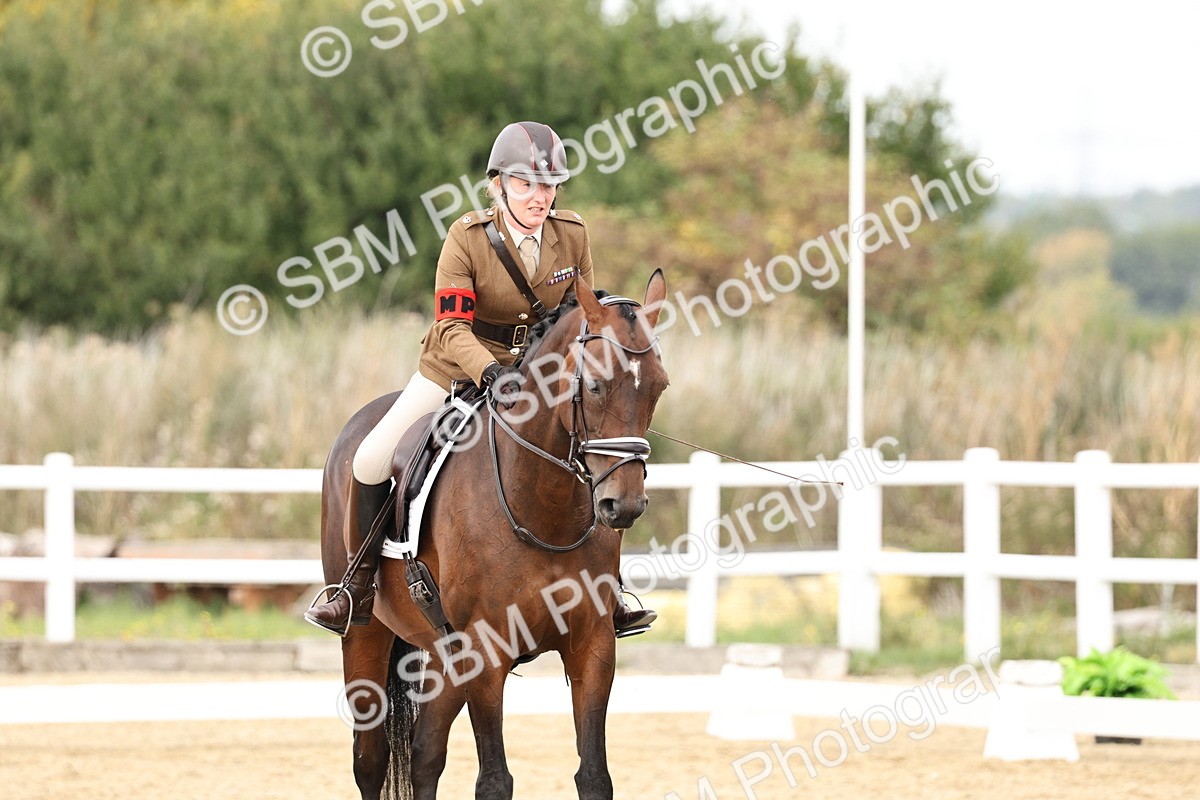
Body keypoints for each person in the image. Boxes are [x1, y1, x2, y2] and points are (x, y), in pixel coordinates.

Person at [305, 120, 657, 637]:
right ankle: (354, 588)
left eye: (548, 185)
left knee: (596, 449)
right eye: (526, 185)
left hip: (539, 378)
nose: (540, 197)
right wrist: (491, 371)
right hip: (457, 368)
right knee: (370, 457)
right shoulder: (467, 238)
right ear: (498, 186)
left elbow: (579, 316)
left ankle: (611, 588)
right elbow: (450, 326)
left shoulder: (573, 234)